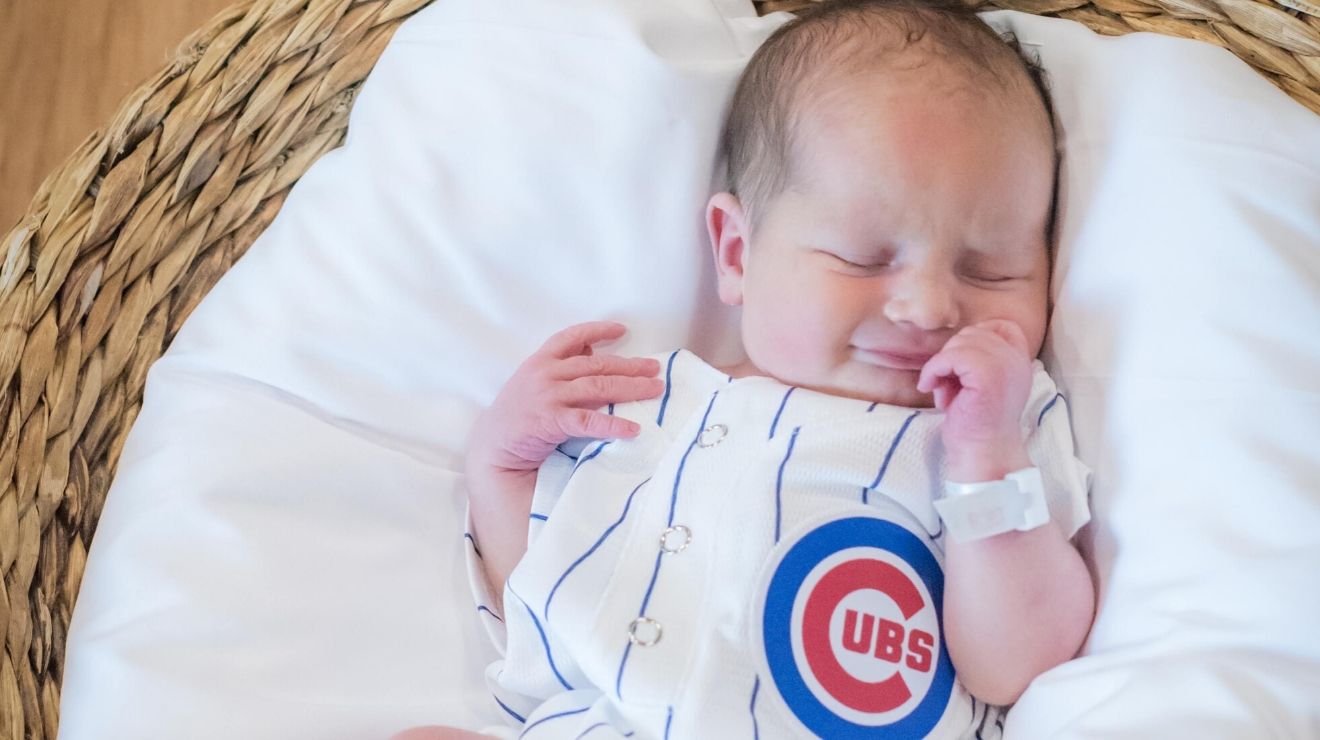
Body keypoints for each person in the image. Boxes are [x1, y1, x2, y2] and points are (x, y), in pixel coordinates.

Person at [400, 0, 1095, 736]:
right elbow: (551, 601)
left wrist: (985, 464)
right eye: (862, 258)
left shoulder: (1000, 429)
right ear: (737, 254)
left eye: (991, 272)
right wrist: (502, 464)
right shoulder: (651, 408)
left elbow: (1017, 666)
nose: (927, 307)